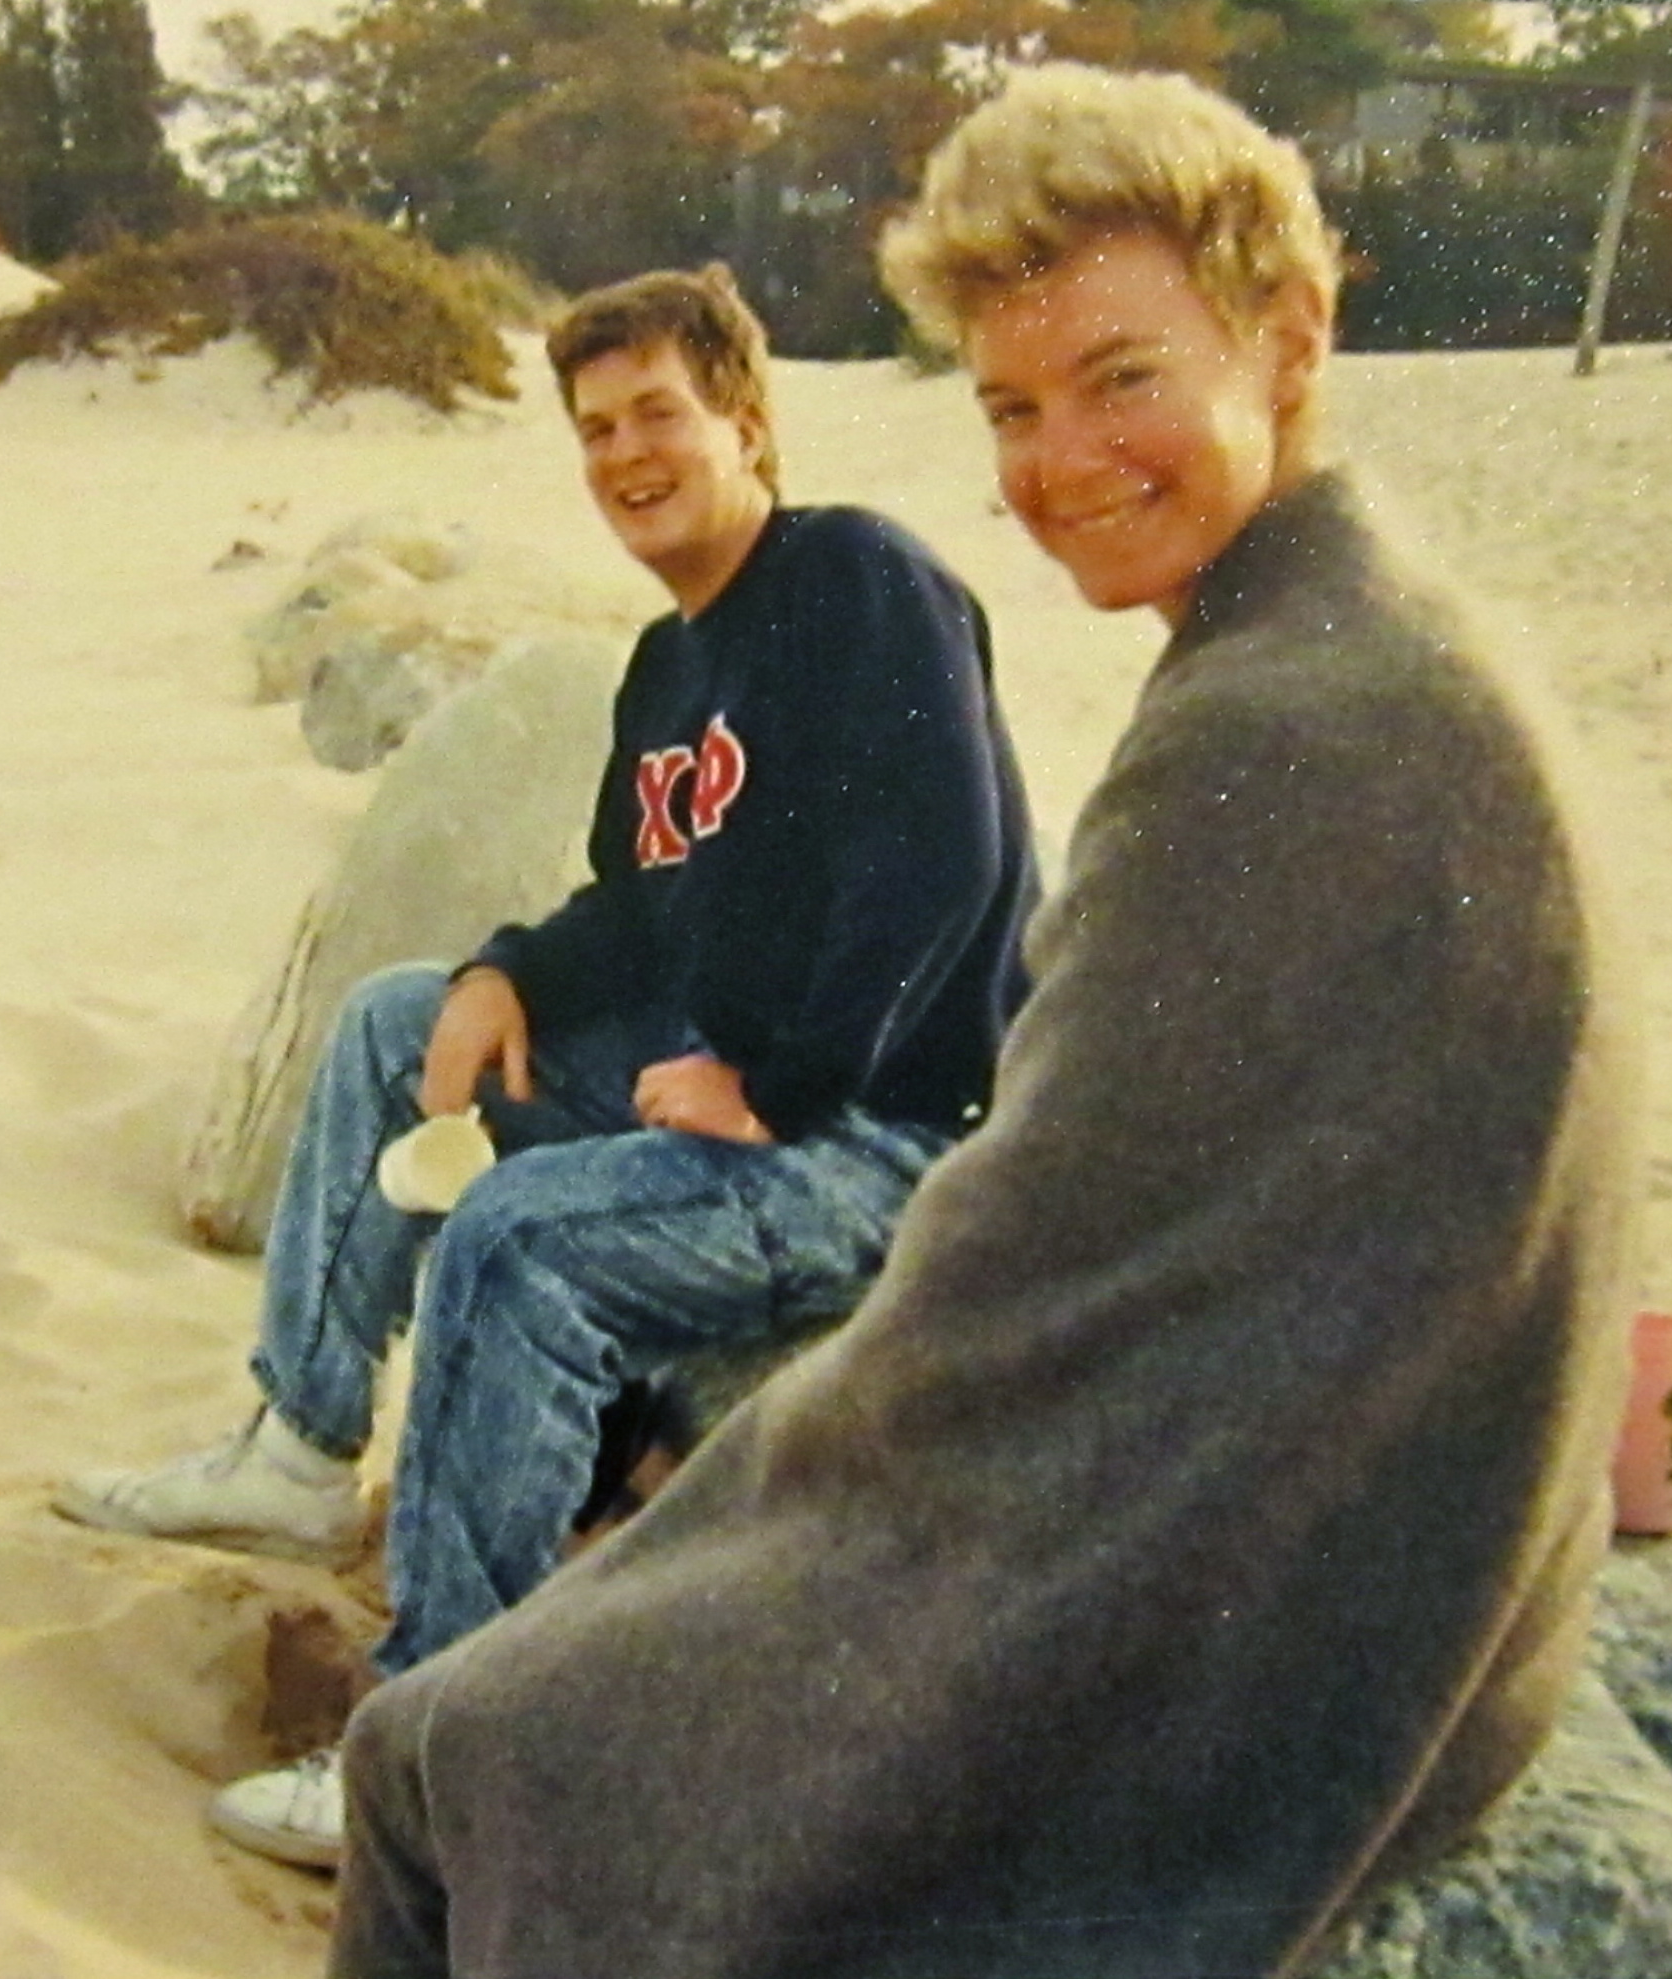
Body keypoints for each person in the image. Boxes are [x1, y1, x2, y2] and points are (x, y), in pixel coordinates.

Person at [326, 65, 1639, 1979]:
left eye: (1118, 377)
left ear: (1288, 337)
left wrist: (676, 1570)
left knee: (441, 1757)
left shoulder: (1274, 725)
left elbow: (1003, 1299)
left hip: (1309, 1623)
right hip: (1426, 1548)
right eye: (1009, 406)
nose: (1057, 461)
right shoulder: (1350, 632)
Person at [56, 266, 1040, 1866]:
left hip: (887, 1130)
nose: (626, 455)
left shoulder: (858, 579)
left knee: (517, 1243)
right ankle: (300, 1447)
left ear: (747, 422)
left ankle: (433, 1733)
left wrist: (779, 1086)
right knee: (393, 1020)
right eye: (594, 429)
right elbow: (638, 910)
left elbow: (945, 858)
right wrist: (503, 970)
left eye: (658, 413)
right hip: (731, 1080)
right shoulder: (668, 668)